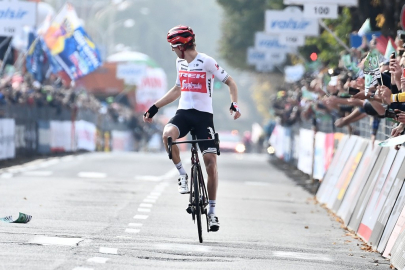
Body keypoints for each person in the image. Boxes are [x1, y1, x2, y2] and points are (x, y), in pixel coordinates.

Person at [143, 25, 241, 232]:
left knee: (210, 164)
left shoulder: (206, 61)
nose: (172, 50)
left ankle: (212, 213)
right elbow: (178, 89)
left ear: (181, 46)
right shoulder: (180, 62)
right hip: (184, 114)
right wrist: (154, 107)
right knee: (168, 135)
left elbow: (231, 82)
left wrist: (234, 104)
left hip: (204, 117)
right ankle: (182, 174)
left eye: (173, 46)